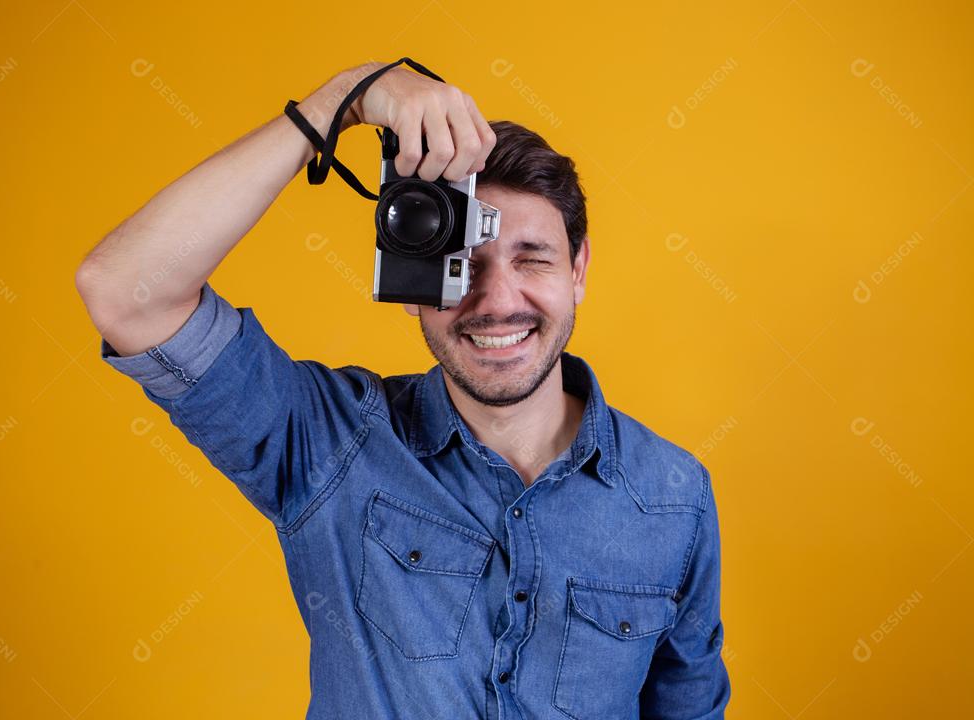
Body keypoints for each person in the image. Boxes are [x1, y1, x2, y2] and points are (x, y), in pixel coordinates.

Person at [75, 59, 731, 720]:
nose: (498, 300)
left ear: (578, 269)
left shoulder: (676, 496)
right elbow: (126, 290)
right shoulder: (329, 444)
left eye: (532, 258)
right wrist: (344, 102)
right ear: (409, 281)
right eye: (460, 266)